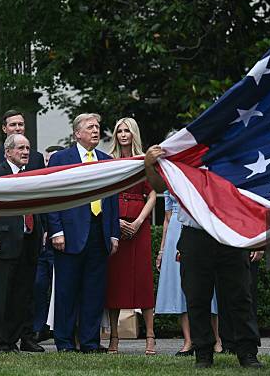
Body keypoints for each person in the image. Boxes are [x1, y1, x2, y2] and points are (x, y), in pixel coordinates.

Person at [145, 146, 262, 369]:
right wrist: (149, 164)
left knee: (240, 296)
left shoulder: (233, 152)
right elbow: (160, 185)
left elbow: (251, 193)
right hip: (195, 235)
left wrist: (256, 235)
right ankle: (203, 353)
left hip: (229, 234)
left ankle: (247, 353)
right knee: (196, 297)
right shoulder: (183, 155)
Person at [47, 113, 120, 353]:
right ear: (77, 133)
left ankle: (90, 342)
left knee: (94, 290)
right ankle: (65, 342)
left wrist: (113, 234)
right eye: (90, 127)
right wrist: (56, 229)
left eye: (98, 127)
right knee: (67, 290)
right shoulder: (61, 158)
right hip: (69, 233)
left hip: (99, 233)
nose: (95, 130)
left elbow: (112, 199)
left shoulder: (106, 160)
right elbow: (52, 196)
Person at [0, 134, 44, 355]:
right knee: (0, 297)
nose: (25, 152)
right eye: (20, 148)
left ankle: (11, 342)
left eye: (28, 148)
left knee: (21, 297)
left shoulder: (32, 175)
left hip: (28, 244)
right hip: (2, 244)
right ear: (7, 152)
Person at [104, 117, 157, 355]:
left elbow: (153, 193)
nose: (123, 135)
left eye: (127, 131)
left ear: (134, 133)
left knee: (143, 281)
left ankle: (150, 338)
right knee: (115, 281)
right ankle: (114, 338)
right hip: (115, 226)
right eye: (119, 131)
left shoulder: (144, 160)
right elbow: (103, 194)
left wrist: (138, 221)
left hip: (140, 225)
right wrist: (114, 222)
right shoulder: (109, 161)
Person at [155, 190, 222, 356]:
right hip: (174, 232)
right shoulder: (169, 179)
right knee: (180, 288)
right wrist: (162, 250)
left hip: (200, 228)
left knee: (208, 286)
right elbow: (167, 217)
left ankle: (217, 339)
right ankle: (188, 341)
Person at [31, 145, 64, 343]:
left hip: (58, 243)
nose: (47, 163)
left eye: (52, 160)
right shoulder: (40, 182)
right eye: (46, 160)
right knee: (38, 285)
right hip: (40, 245)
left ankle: (58, 327)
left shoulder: (64, 184)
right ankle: (38, 327)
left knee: (60, 287)